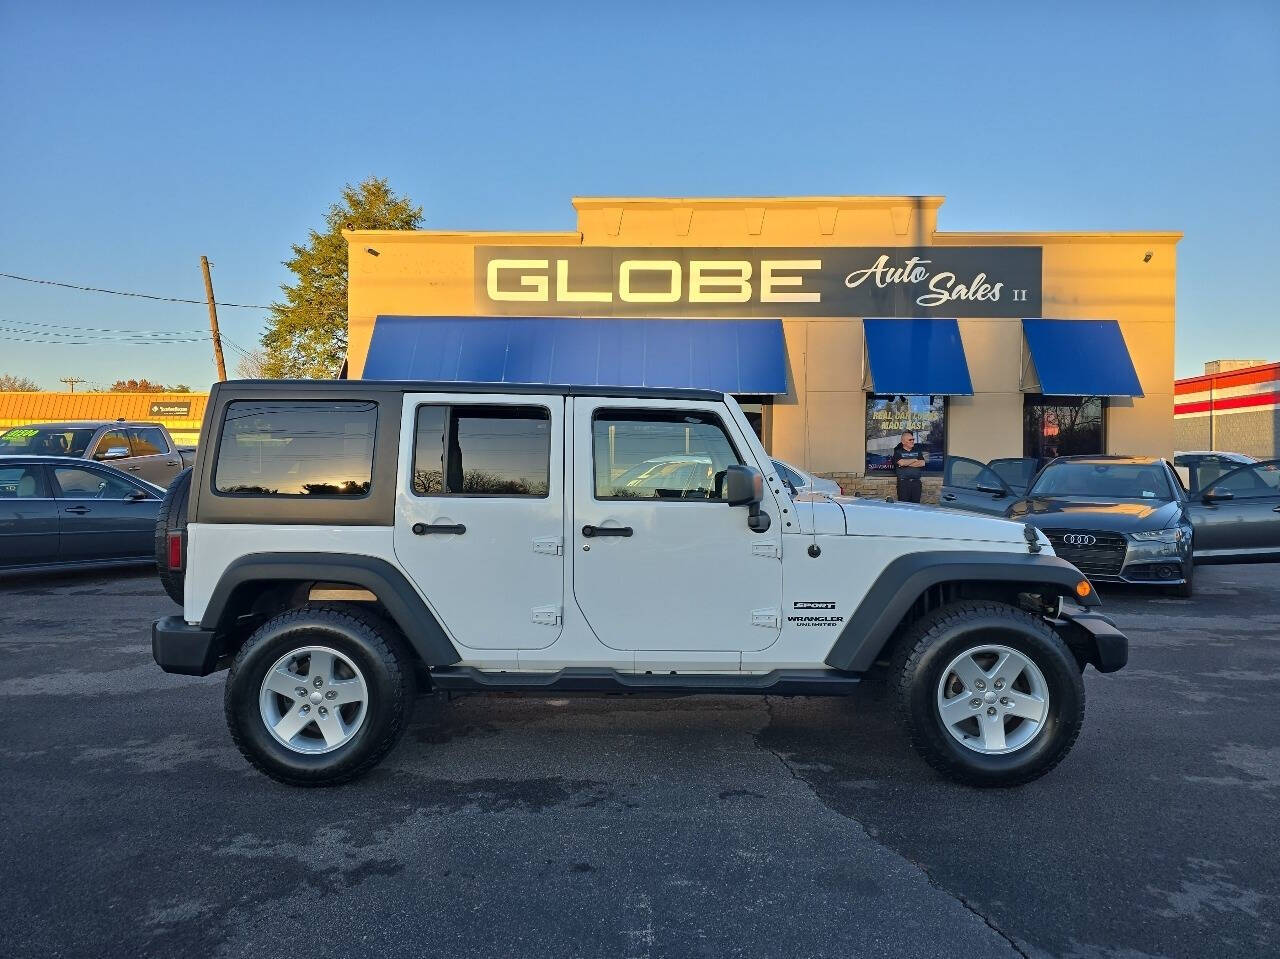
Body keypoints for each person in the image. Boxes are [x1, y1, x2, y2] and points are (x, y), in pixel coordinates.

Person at [890, 430, 926, 503]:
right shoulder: (898, 452)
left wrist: (906, 463)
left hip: (916, 483)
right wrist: (915, 460)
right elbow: (901, 463)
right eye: (910, 440)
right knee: (903, 506)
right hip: (904, 484)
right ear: (903, 442)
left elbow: (922, 463)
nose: (912, 441)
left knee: (916, 506)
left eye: (913, 439)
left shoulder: (917, 451)